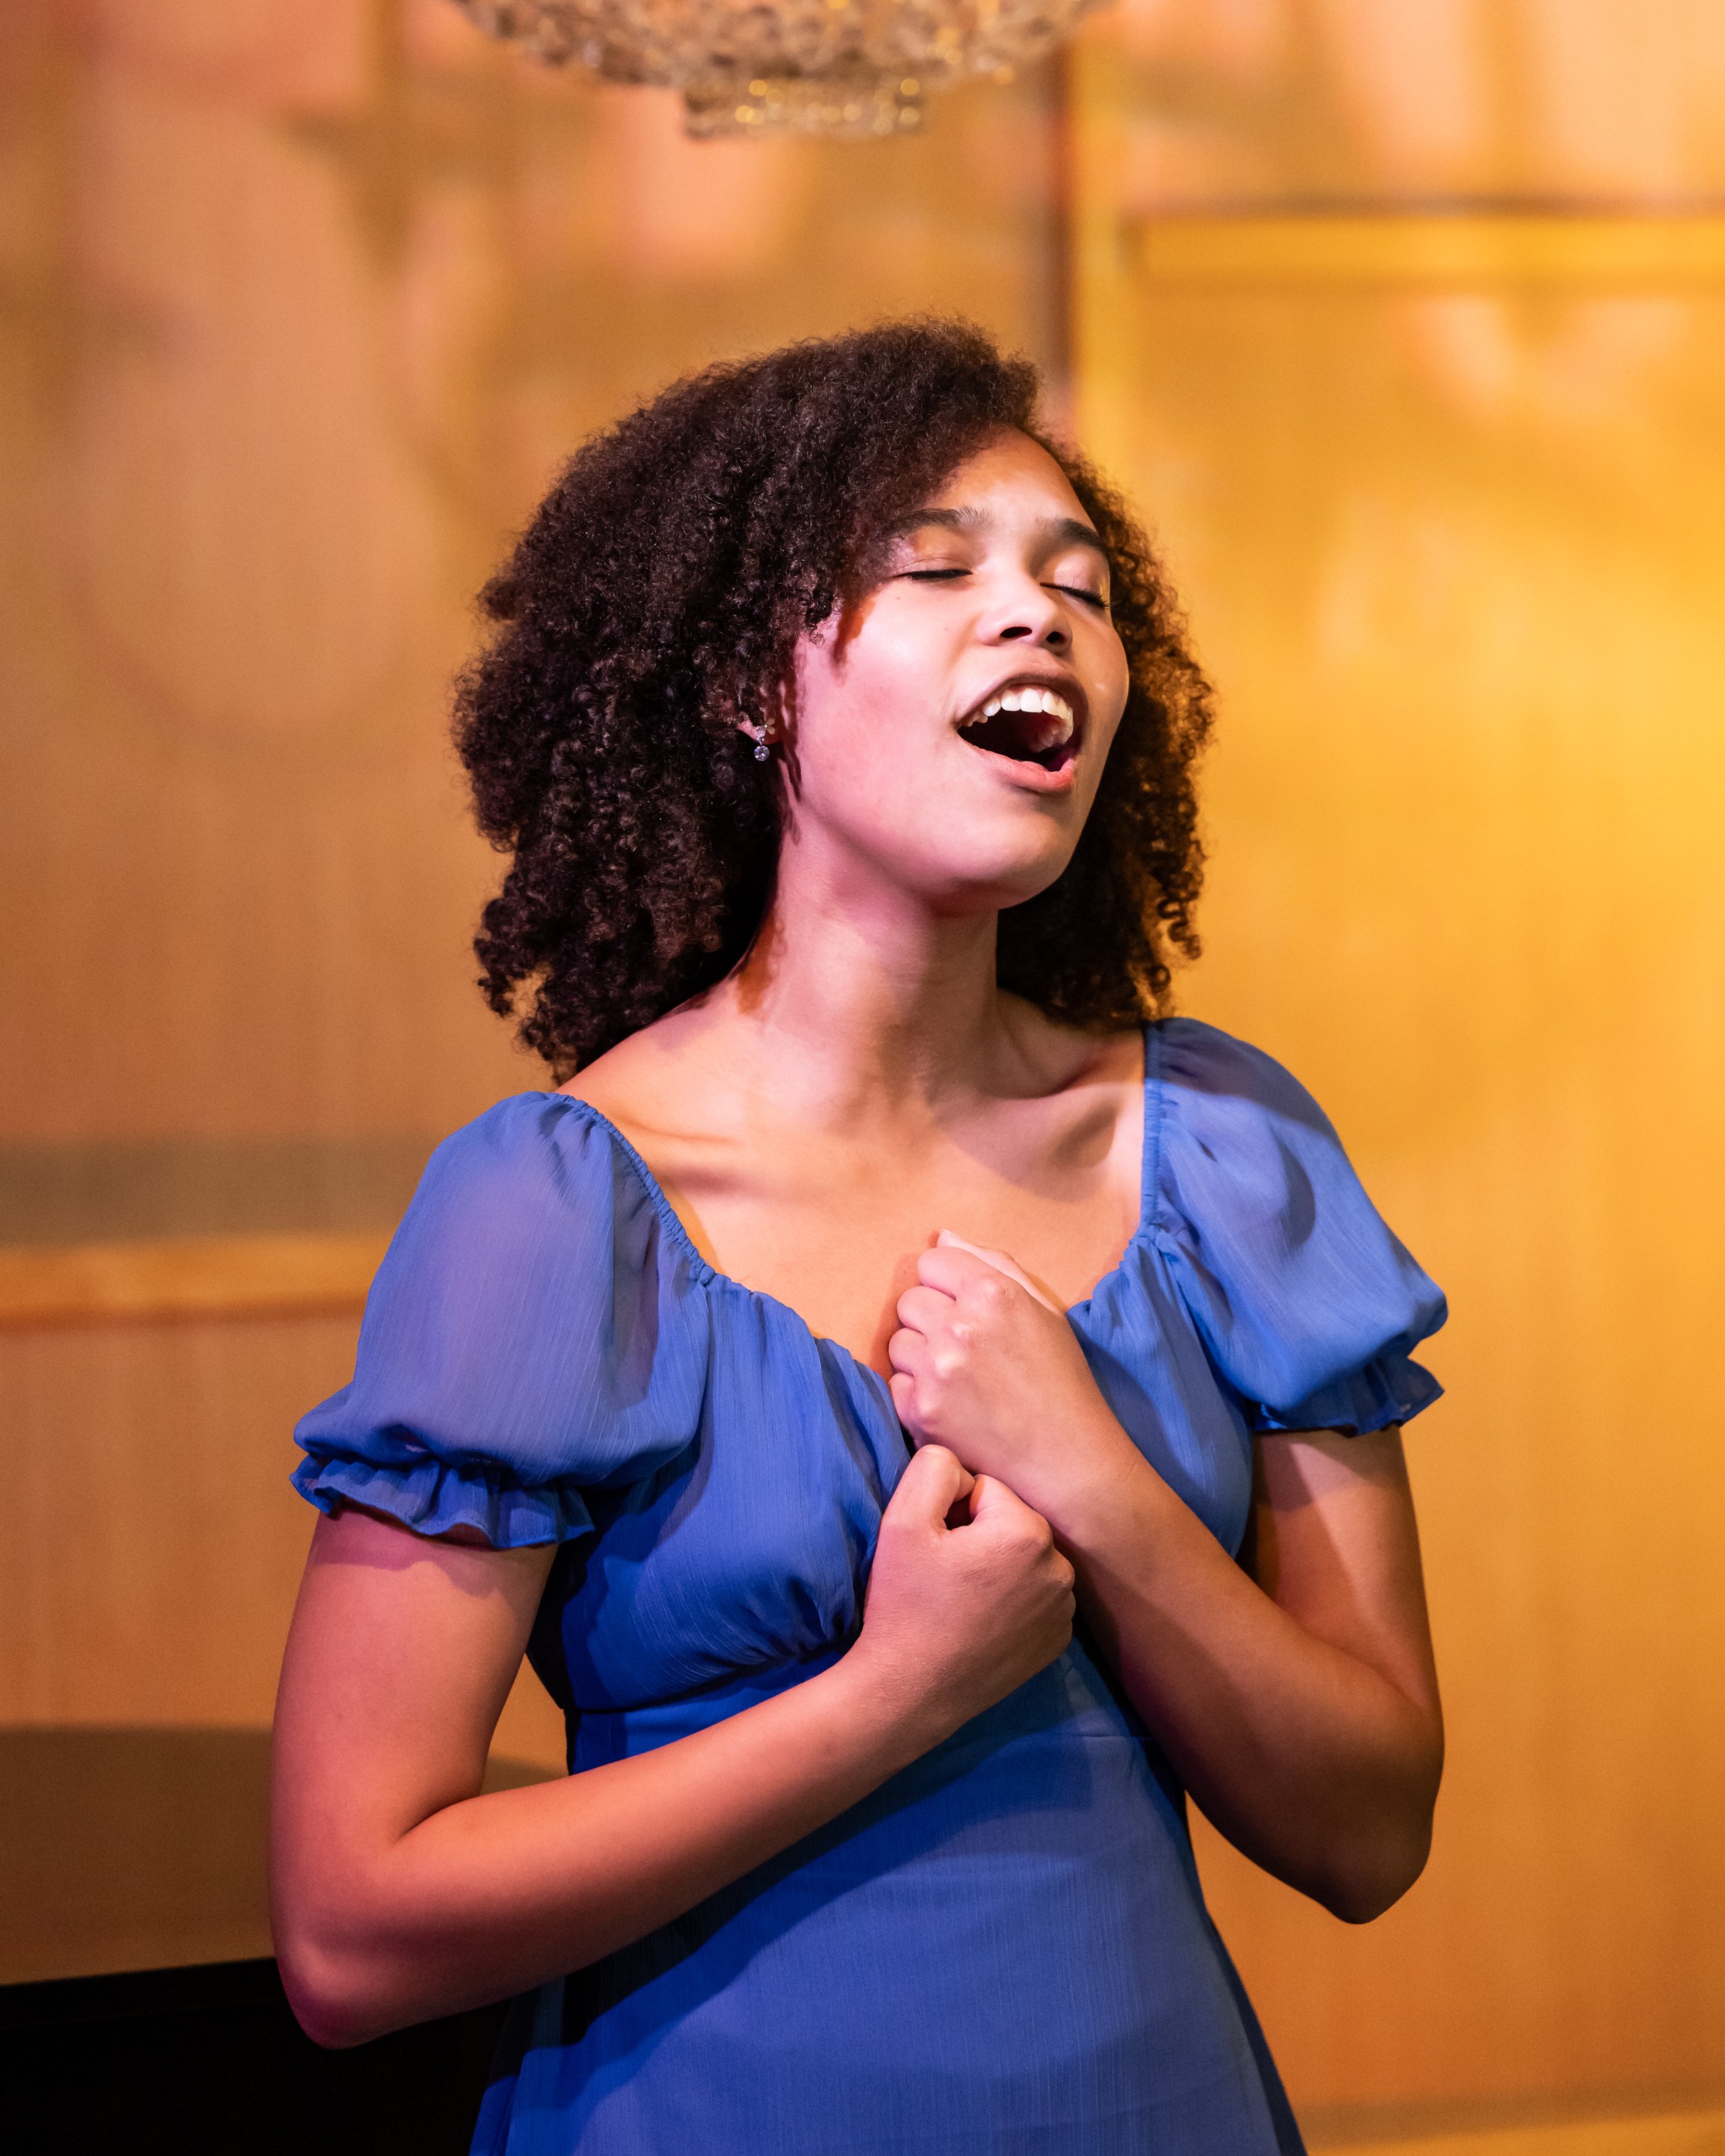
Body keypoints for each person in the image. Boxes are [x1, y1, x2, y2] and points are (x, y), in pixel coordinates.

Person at [272, 319, 1446, 2156]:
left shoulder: (1228, 1153)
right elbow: (352, 1934)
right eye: (938, 569)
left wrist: (1099, 1481)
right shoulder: (557, 1211)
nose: (1036, 616)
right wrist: (894, 1694)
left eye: (1079, 589)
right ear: (757, 680)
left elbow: (1368, 1833)